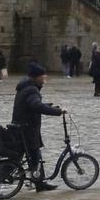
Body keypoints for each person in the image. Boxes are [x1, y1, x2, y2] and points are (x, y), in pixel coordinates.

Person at [11, 63, 66, 192]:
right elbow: (36, 106)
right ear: (36, 77)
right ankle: (39, 183)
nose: (44, 80)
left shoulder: (26, 87)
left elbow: (32, 104)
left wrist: (50, 106)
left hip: (22, 127)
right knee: (32, 155)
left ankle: (38, 181)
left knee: (33, 155)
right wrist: (57, 112)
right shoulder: (32, 89)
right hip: (27, 129)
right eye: (42, 77)